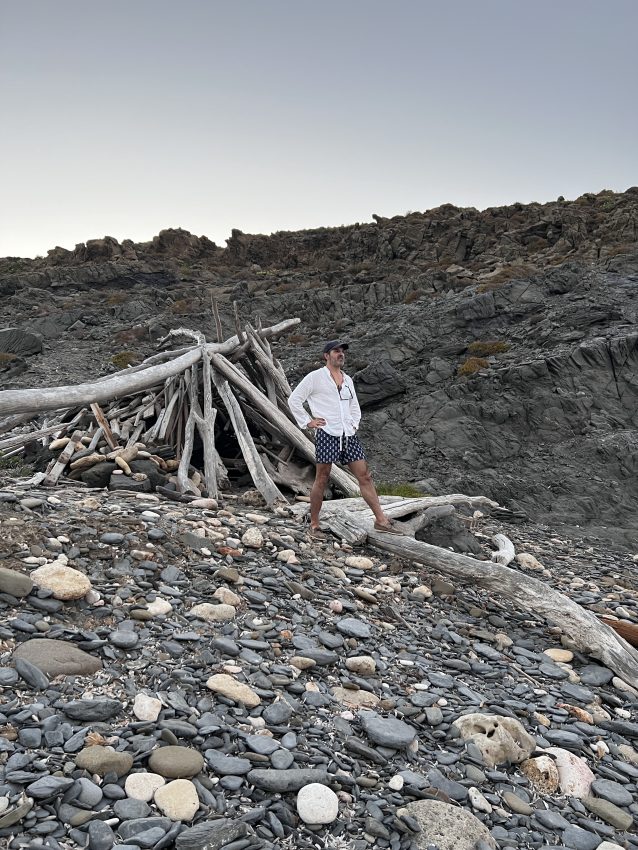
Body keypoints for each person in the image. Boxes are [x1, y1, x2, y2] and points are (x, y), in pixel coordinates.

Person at [288, 340, 403, 538]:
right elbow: (294, 400)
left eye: (342, 351)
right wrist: (308, 422)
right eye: (336, 351)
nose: (340, 354)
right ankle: (314, 524)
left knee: (365, 476)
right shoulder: (315, 378)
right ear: (326, 355)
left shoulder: (347, 379)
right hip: (327, 434)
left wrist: (354, 424)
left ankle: (381, 521)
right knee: (322, 478)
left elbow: (354, 406)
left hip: (348, 435)